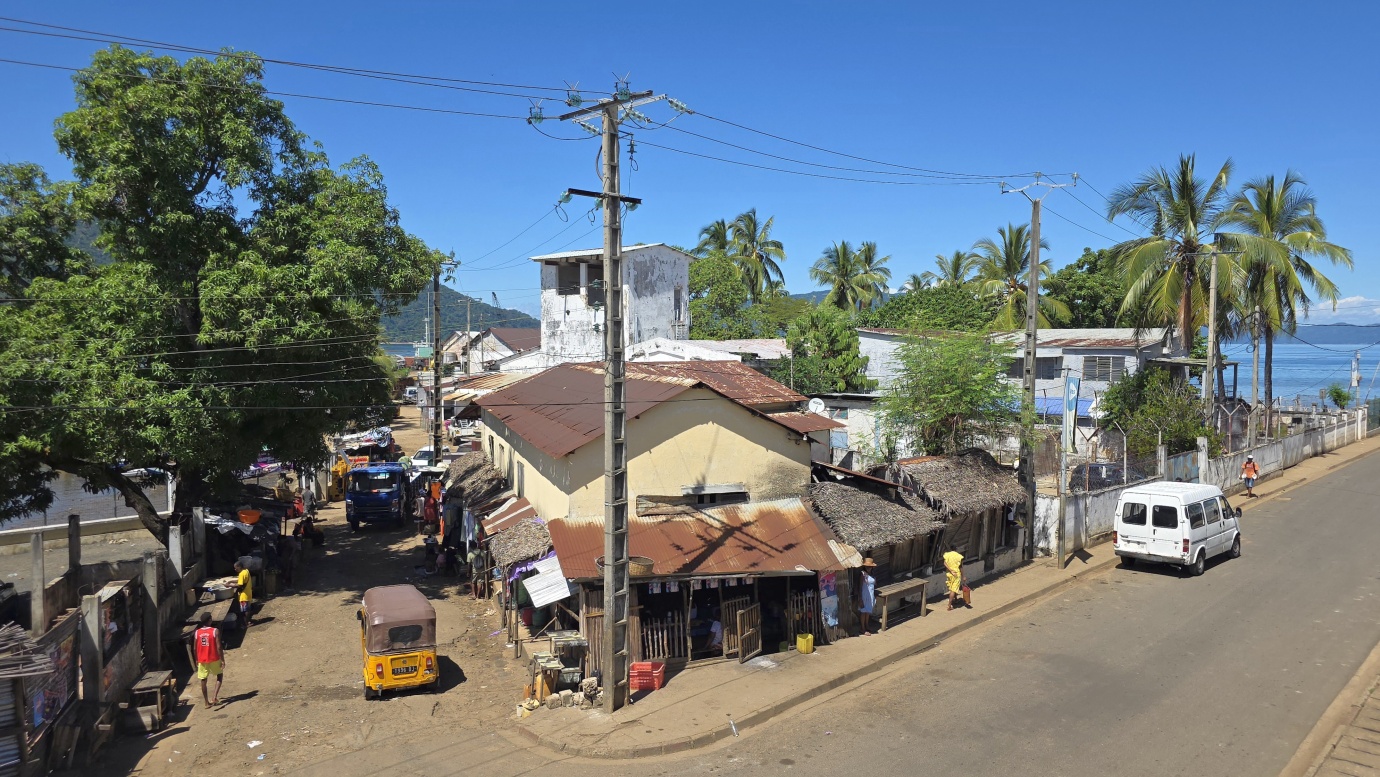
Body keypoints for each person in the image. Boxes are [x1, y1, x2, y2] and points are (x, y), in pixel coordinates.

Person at [193, 612, 224, 708]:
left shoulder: (197, 632)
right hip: (214, 658)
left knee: (203, 680)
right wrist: (222, 659)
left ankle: (206, 702)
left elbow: (194, 648)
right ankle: (214, 697)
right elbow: (219, 647)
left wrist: (196, 659)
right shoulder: (215, 631)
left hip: (202, 660)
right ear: (210, 620)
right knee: (219, 676)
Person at [943, 543, 966, 611]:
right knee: (953, 590)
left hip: (949, 574)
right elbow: (961, 567)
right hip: (956, 574)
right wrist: (963, 576)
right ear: (956, 549)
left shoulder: (947, 555)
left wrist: (950, 570)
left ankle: (955, 599)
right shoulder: (959, 556)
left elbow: (944, 563)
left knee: (952, 588)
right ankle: (949, 605)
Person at [858, 558, 877, 635]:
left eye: (870, 566)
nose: (868, 568)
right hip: (864, 595)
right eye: (867, 566)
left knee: (868, 611)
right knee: (863, 612)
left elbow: (874, 584)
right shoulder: (863, 574)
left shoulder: (872, 575)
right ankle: (862, 628)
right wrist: (860, 598)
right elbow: (860, 587)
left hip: (871, 595)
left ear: (872, 567)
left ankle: (867, 625)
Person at [233, 561, 253, 630]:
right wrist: (231, 581)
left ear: (239, 567)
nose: (235, 569)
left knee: (245, 610)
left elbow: (239, 585)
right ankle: (248, 621)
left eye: (236, 568)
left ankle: (245, 624)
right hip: (248, 593)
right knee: (247, 608)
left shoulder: (241, 574)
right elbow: (240, 580)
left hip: (243, 595)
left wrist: (228, 585)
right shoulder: (246, 571)